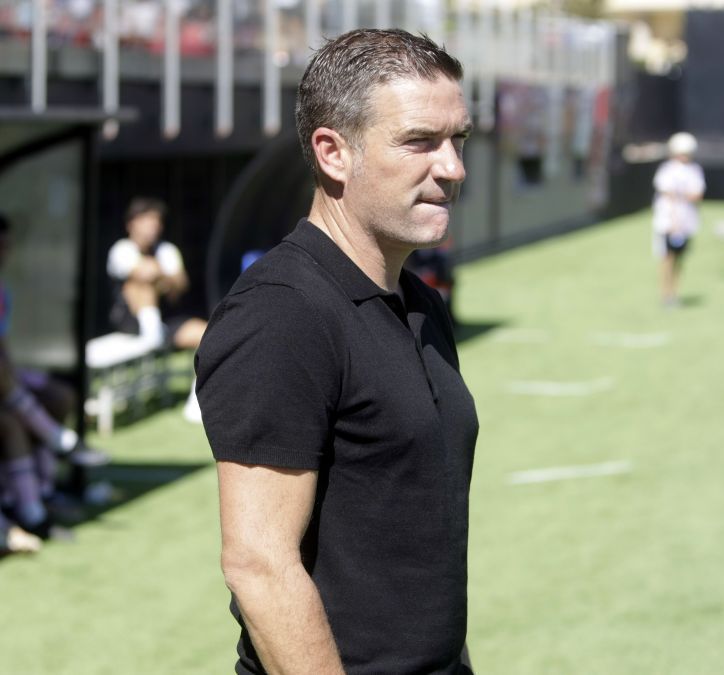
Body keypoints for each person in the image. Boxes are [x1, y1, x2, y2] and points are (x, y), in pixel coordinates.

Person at [195, 29, 478, 674]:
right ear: (333, 152)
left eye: (458, 139)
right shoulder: (280, 313)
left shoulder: (420, 303)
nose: (453, 167)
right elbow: (258, 562)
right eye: (419, 142)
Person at [0, 213, 108, 540]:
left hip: (5, 377)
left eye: (6, 246)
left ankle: (43, 493)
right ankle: (32, 512)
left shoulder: (3, 291)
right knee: (10, 424)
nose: (4, 253)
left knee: (61, 397)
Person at [107, 197, 207, 421]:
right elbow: (143, 276)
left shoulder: (166, 249)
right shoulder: (121, 249)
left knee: (210, 336)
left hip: (167, 321)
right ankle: (152, 334)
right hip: (131, 321)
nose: (154, 227)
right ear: (131, 223)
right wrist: (163, 277)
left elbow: (180, 284)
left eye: (157, 221)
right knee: (139, 286)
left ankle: (196, 402)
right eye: (148, 221)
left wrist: (158, 275)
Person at [651, 132, 705, 307]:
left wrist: (681, 194)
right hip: (668, 223)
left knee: (680, 260)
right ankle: (666, 295)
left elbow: (696, 194)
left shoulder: (694, 170)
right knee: (666, 259)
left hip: (686, 223)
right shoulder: (667, 170)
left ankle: (675, 293)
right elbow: (667, 193)